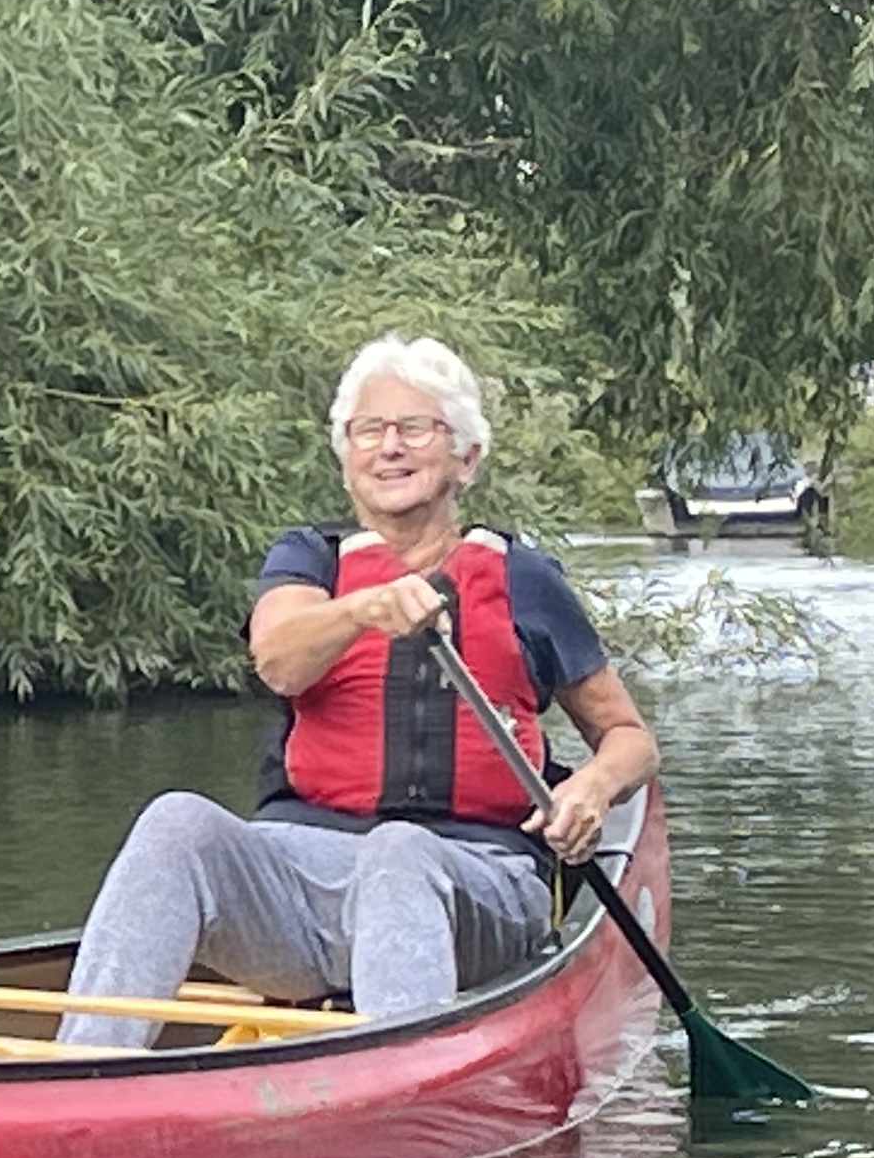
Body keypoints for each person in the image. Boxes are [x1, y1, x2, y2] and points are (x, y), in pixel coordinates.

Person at [60, 334, 657, 1039]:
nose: (389, 447)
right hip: (301, 880)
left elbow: (630, 740)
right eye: (369, 431)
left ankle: (394, 1083)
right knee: (176, 822)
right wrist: (361, 609)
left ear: (466, 458)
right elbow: (277, 660)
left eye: (416, 428)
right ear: (347, 462)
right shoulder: (308, 561)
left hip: (478, 877)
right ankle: (84, 1068)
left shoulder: (527, 581)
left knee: (399, 851)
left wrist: (589, 788)